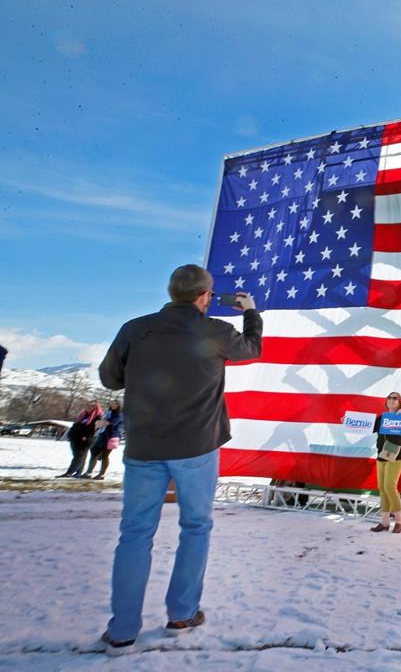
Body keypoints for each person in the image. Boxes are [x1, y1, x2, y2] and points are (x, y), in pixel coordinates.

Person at [96, 264, 262, 653]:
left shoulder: (136, 328)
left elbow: (109, 378)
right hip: (197, 447)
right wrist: (251, 312)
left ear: (171, 293)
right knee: (196, 527)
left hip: (145, 448)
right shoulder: (217, 331)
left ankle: (122, 629)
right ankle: (182, 614)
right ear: (205, 297)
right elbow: (252, 348)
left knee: (135, 535)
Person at [369, 391, 401, 534]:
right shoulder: (382, 418)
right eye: (389, 398)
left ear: (399, 402)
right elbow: (367, 426)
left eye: (395, 398)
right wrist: (348, 421)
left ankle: (399, 520)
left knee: (390, 487)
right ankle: (385, 522)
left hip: (396, 457)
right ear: (386, 401)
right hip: (381, 456)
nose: (391, 400)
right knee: (382, 488)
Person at [58, 402, 104, 478]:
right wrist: (71, 434)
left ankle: (69, 472)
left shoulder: (98, 417)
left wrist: (86, 436)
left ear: (96, 408)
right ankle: (78, 472)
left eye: (92, 406)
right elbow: (76, 425)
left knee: (79, 456)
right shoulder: (82, 415)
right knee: (79, 456)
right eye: (88, 405)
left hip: (86, 440)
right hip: (75, 438)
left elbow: (96, 429)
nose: (89, 407)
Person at [84, 401, 124, 480]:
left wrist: (100, 422)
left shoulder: (119, 415)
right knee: (94, 452)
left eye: (115, 404)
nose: (113, 405)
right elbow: (99, 422)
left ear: (119, 406)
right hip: (102, 435)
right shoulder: (108, 413)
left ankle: (101, 474)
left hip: (111, 437)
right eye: (112, 403)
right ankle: (88, 472)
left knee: (105, 456)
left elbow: (108, 423)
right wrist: (100, 422)